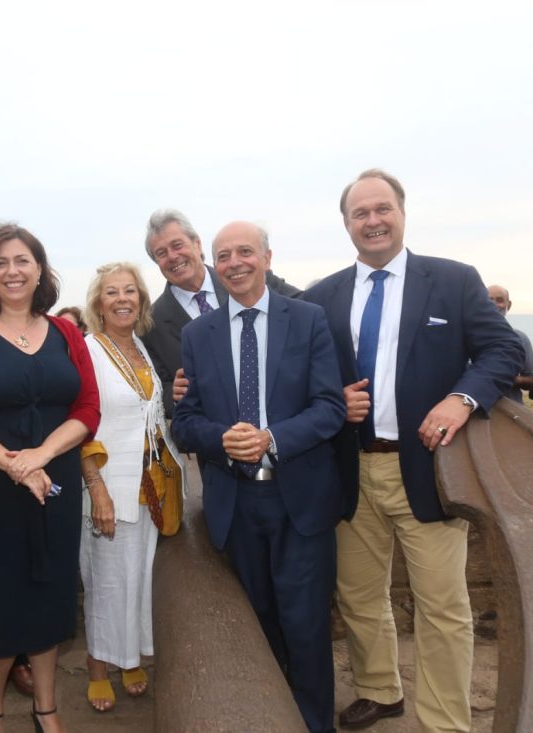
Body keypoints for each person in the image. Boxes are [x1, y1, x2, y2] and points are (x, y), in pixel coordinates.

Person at [303, 169, 522, 732]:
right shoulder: (321, 297)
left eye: (382, 209)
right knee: (357, 595)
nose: (372, 221)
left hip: (427, 469)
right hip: (350, 470)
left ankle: (446, 721)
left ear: (402, 212)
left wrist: (461, 398)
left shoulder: (451, 280)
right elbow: (294, 372)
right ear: (346, 223)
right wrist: (330, 399)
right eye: (360, 213)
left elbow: (501, 350)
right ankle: (380, 690)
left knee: (443, 608)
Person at [172, 221, 345, 733]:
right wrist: (220, 439)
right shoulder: (196, 334)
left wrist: (273, 438)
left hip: (301, 501)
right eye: (223, 255)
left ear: (267, 257)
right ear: (213, 265)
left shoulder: (309, 320)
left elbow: (330, 408)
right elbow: (185, 423)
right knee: (258, 625)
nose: (234, 263)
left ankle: (315, 724)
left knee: (307, 627)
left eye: (245, 251)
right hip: (235, 503)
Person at [0, 223, 100, 733]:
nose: (12, 271)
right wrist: (12, 464)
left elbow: (87, 407)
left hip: (57, 484)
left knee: (49, 596)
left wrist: (41, 456)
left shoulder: (68, 332)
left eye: (22, 260)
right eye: (1, 262)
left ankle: (46, 708)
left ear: (39, 270)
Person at [78, 263, 183, 713]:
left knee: (137, 578)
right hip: (108, 485)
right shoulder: (87, 350)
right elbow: (80, 420)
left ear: (140, 299)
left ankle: (129, 659)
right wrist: (95, 486)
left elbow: (151, 413)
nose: (122, 299)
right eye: (111, 292)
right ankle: (99, 666)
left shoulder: (139, 346)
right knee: (105, 581)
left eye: (130, 292)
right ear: (98, 303)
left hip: (149, 486)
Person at [139, 209, 301, 416]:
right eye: (161, 253)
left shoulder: (245, 275)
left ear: (197, 244)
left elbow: (301, 307)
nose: (172, 256)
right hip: (216, 435)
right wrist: (172, 393)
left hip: (282, 420)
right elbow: (156, 391)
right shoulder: (151, 324)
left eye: (177, 245)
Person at [487, 285, 533, 403]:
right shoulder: (468, 337)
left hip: (510, 412)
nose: (494, 304)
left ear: (508, 305)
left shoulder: (520, 338)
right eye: (488, 300)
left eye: (499, 300)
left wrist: (512, 379)